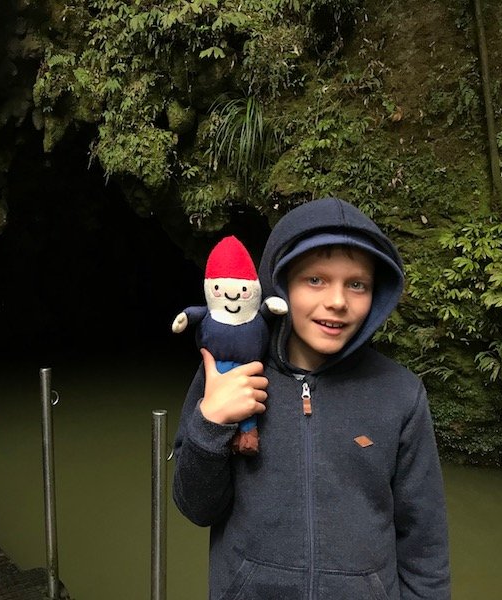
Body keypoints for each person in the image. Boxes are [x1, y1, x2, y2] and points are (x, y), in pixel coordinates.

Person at [172, 197, 450, 600]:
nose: (337, 301)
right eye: (315, 280)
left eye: (357, 284)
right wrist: (210, 423)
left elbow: (425, 542)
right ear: (280, 287)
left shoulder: (400, 393)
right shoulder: (227, 374)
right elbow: (196, 509)